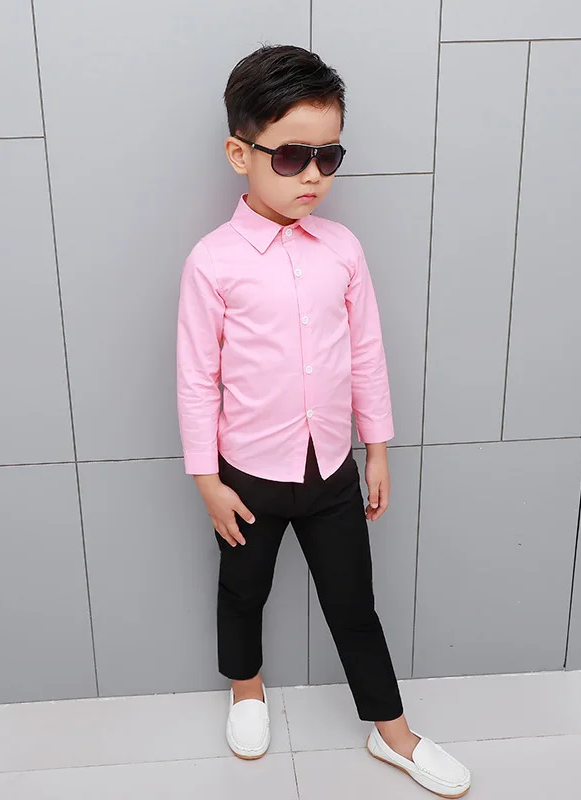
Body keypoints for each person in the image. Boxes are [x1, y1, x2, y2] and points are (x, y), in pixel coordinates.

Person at [176, 44, 471, 798]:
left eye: (329, 156)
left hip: (331, 467)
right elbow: (197, 376)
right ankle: (246, 690)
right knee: (243, 590)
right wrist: (206, 479)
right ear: (240, 154)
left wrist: (378, 448)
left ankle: (392, 733)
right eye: (291, 156)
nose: (312, 175)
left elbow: (365, 351)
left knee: (353, 605)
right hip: (247, 472)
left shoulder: (342, 249)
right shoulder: (213, 262)